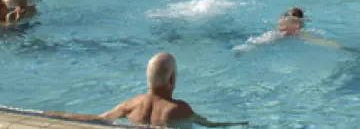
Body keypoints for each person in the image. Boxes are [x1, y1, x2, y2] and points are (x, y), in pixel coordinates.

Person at [48, 53, 248, 127]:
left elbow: (99, 119)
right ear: (172, 78)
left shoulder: (131, 104)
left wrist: (59, 115)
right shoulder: (179, 109)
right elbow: (211, 125)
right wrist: (240, 123)